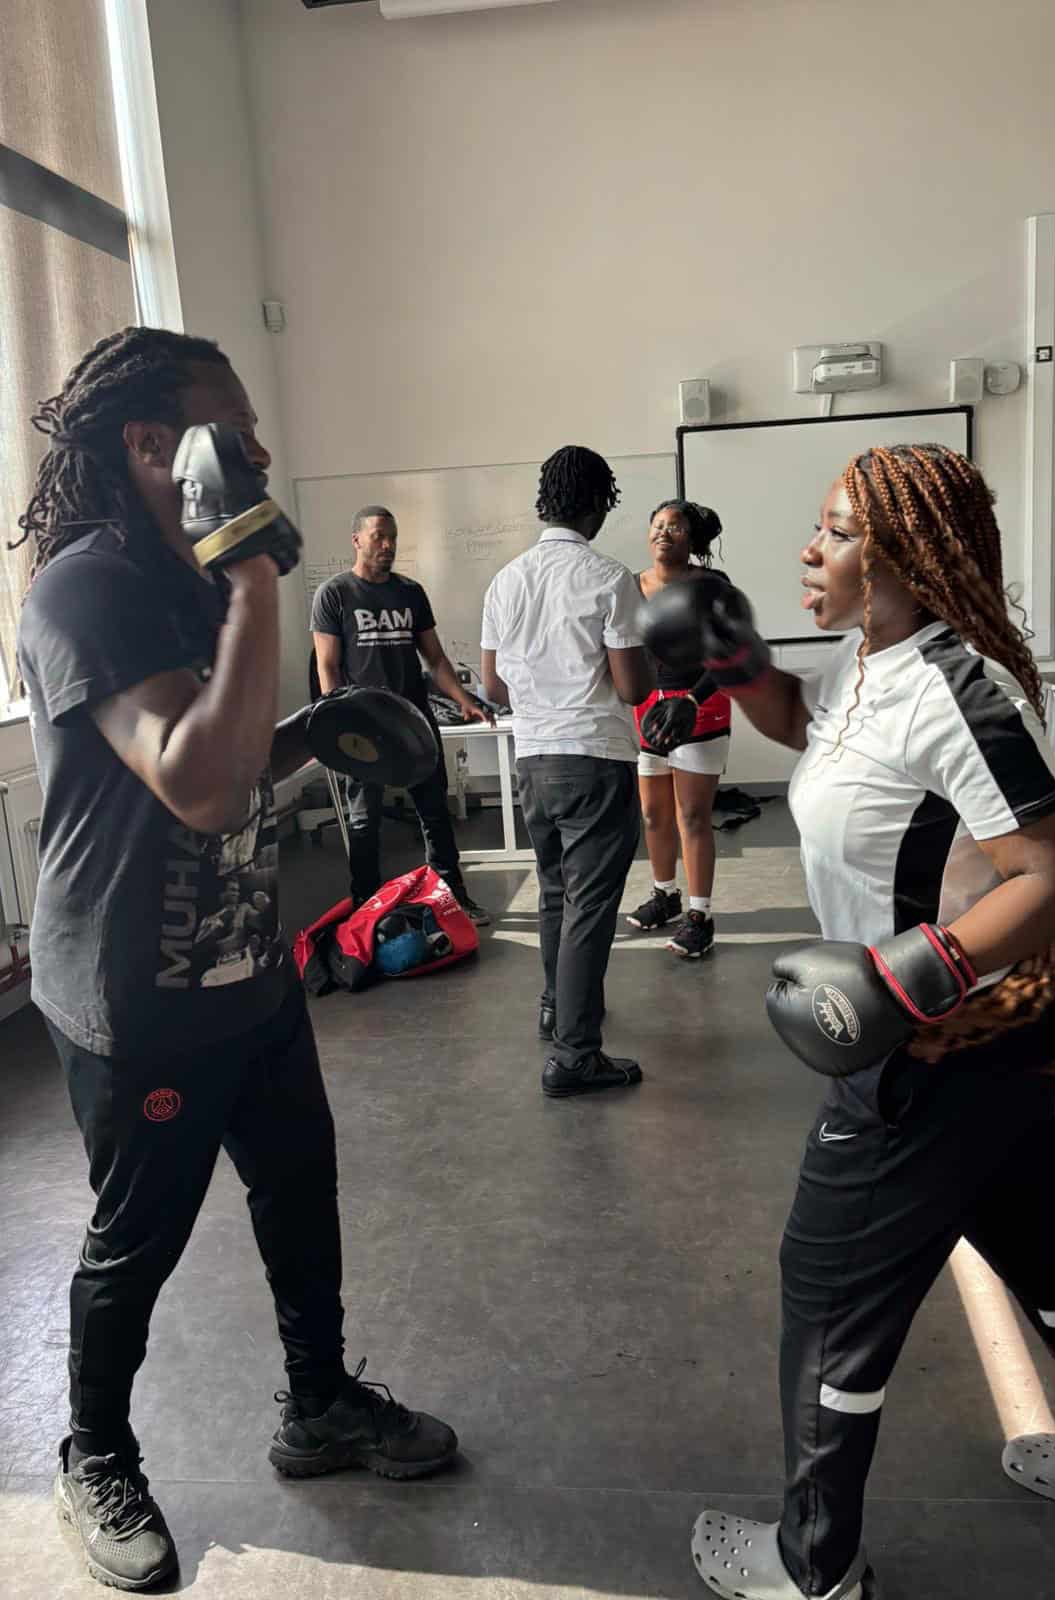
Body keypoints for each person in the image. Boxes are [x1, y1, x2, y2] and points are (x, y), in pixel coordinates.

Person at [641, 443, 1055, 1600]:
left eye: (838, 531)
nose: (811, 548)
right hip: (981, 1047)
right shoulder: (870, 662)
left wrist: (908, 979)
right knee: (1040, 1244)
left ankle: (816, 1566)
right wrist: (737, 661)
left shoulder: (961, 688)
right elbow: (811, 728)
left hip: (931, 1049)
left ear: (906, 552)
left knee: (829, 1291)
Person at [14, 328, 458, 1594]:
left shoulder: (190, 580)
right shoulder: (85, 589)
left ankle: (317, 1405)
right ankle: (91, 1452)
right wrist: (257, 569)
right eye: (235, 432)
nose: (262, 452)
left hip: (249, 967)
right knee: (136, 1241)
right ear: (153, 445)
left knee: (297, 1189)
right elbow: (199, 786)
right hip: (134, 995)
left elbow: (225, 755)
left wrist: (312, 729)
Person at [480, 445, 653, 1097]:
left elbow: (494, 685)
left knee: (555, 891)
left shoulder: (506, 580)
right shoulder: (610, 579)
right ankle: (576, 1055)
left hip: (533, 761)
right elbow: (633, 688)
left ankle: (558, 1007)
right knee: (590, 906)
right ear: (596, 506)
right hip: (594, 759)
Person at [311, 507, 491, 921]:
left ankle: (454, 896)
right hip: (361, 727)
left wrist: (464, 699)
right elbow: (328, 666)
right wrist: (338, 723)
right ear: (356, 540)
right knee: (363, 822)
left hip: (412, 723)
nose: (387, 545)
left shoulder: (410, 592)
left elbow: (436, 658)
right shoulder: (335, 594)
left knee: (434, 812)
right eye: (378, 537)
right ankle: (366, 908)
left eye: (392, 537)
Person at [626, 498, 731, 959]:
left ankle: (699, 915)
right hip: (649, 707)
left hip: (701, 703)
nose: (664, 533)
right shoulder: (629, 586)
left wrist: (691, 699)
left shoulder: (711, 585)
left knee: (692, 817)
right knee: (653, 814)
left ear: (692, 539)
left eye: (676, 527)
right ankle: (664, 894)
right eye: (658, 525)